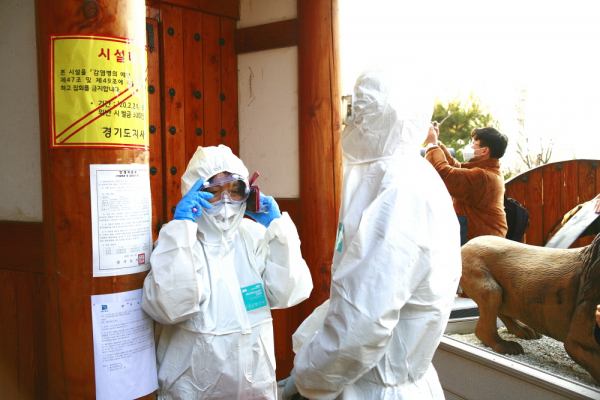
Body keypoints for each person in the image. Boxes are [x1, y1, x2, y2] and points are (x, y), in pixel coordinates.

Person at [281, 65, 462, 399]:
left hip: (373, 388)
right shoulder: (408, 177)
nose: (349, 121)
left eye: (355, 110)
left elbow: (362, 320)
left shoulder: (399, 192)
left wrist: (308, 376)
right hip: (379, 380)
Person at [142, 145, 313, 399]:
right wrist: (181, 230)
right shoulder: (179, 242)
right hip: (193, 387)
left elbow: (288, 292)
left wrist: (278, 229)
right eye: (213, 191)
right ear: (194, 192)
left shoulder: (252, 235)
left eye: (235, 191)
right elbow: (170, 307)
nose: (225, 201)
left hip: (255, 386)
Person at [424, 124, 509, 245]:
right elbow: (455, 167)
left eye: (473, 142)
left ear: (485, 150)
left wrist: (431, 145)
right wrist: (436, 142)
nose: (469, 145)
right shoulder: (488, 171)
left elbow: (444, 174)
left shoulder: (483, 176)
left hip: (480, 245)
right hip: (479, 241)